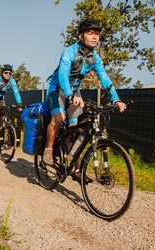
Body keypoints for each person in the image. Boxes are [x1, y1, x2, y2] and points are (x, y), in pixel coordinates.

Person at [43, 19, 127, 181]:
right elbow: (62, 75)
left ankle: (76, 168)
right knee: (59, 119)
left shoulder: (95, 58)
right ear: (80, 36)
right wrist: (69, 95)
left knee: (78, 128)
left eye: (97, 34)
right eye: (90, 33)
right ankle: (48, 149)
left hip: (74, 92)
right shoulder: (69, 51)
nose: (95, 37)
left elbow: (105, 80)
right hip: (58, 89)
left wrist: (116, 100)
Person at [0, 64, 22, 132]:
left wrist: (19, 103)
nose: (8, 74)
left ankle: (0, 134)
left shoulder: (12, 81)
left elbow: (16, 92)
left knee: (3, 116)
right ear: (2, 72)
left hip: (1, 100)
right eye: (6, 72)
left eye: (10, 73)